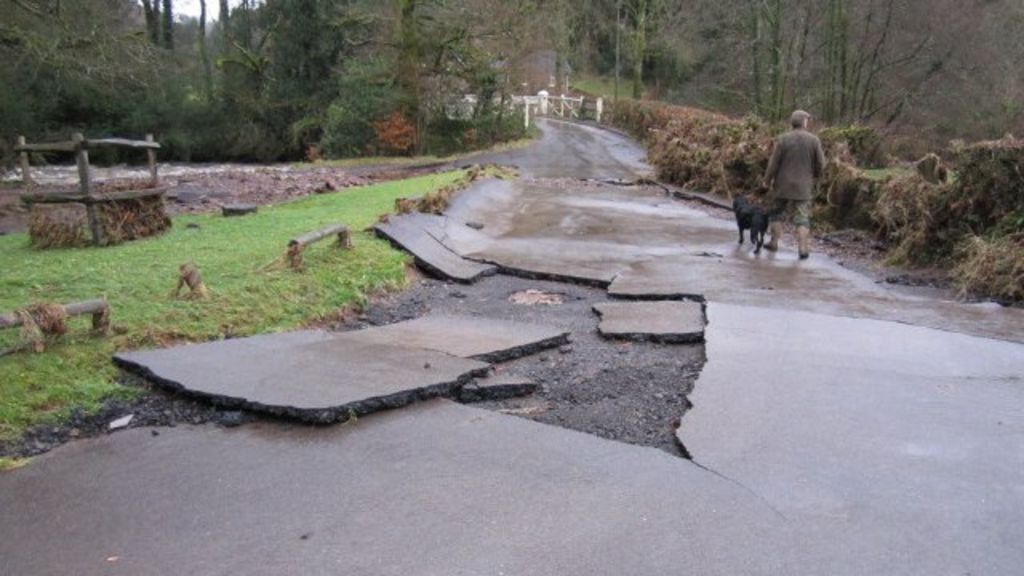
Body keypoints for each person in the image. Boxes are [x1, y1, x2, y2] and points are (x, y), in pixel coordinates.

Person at [763, 110, 826, 259]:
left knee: (776, 213)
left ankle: (774, 242)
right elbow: (821, 164)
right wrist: (815, 176)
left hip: (782, 184)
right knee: (802, 217)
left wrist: (767, 180)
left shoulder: (783, 139)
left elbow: (773, 163)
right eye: (807, 120)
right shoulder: (814, 140)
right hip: (804, 186)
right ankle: (803, 248)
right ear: (804, 122)